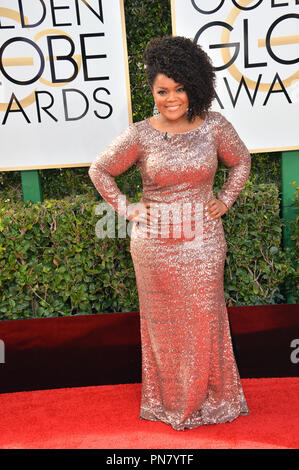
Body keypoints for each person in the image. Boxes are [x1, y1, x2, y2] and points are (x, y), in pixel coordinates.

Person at [88, 35, 251, 431]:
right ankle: (171, 401)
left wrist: (225, 199)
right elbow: (100, 170)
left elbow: (242, 160)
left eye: (179, 89)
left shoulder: (214, 126)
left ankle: (212, 397)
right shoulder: (141, 134)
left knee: (204, 318)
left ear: (194, 87)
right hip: (155, 246)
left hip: (203, 242)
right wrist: (127, 209)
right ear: (152, 91)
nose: (171, 98)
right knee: (163, 327)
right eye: (163, 91)